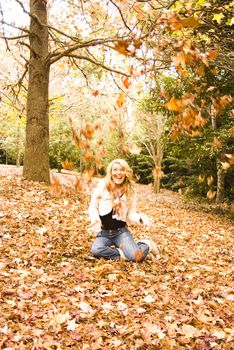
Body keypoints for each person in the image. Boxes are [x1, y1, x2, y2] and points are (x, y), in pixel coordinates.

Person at [88, 158, 160, 262]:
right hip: (104, 232)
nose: (118, 173)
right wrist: (95, 219)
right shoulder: (102, 186)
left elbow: (131, 214)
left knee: (135, 257)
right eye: (115, 170)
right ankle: (127, 254)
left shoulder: (130, 190)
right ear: (110, 172)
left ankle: (147, 244)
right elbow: (93, 206)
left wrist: (140, 218)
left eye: (122, 170)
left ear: (126, 172)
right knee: (96, 250)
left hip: (121, 232)